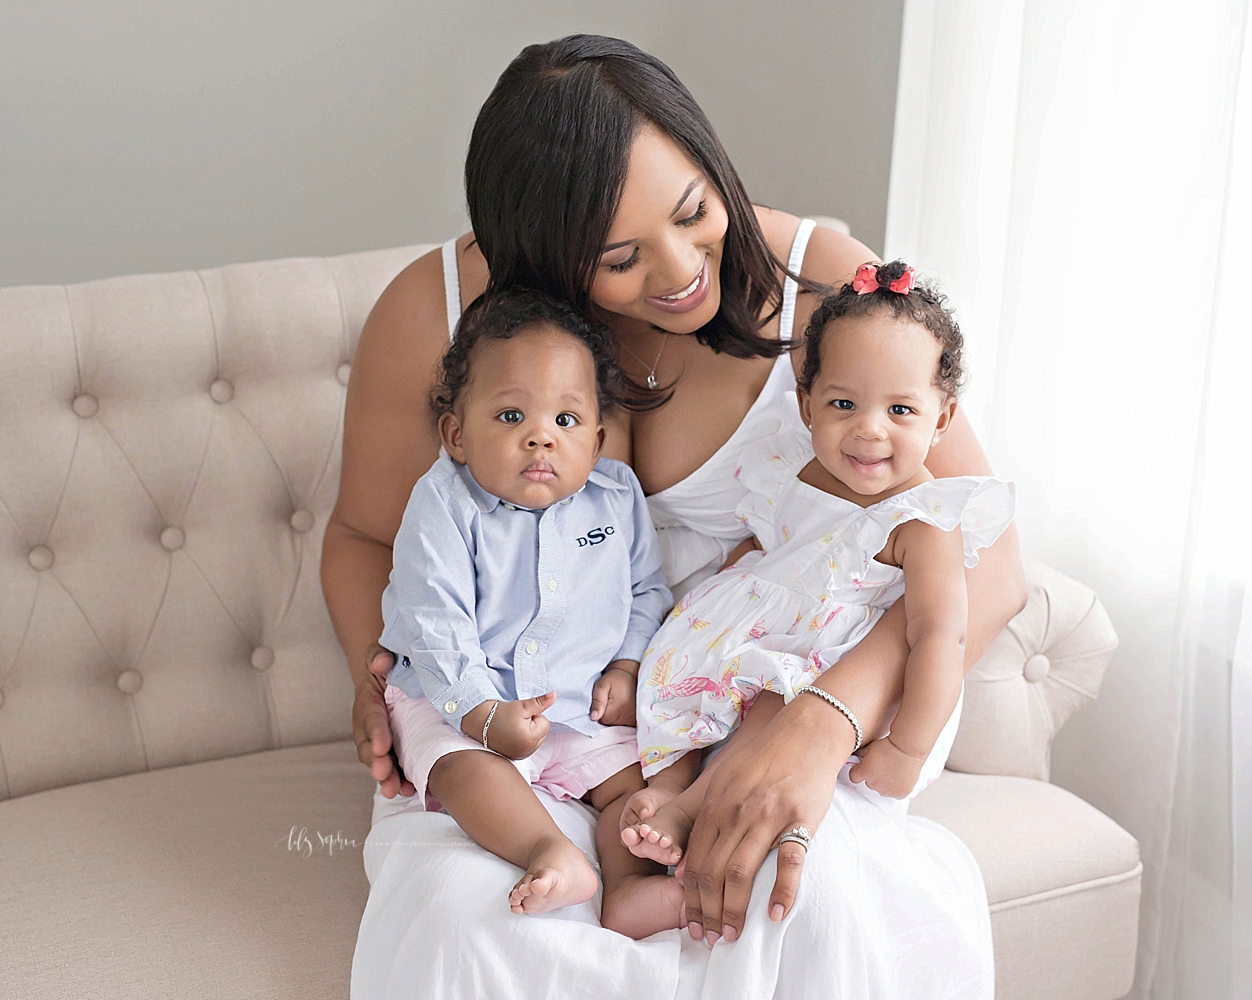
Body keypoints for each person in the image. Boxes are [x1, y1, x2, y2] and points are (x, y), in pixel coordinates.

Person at [328, 34, 1026, 996]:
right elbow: (366, 537)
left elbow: (989, 561)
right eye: (620, 257)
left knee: (795, 897)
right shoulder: (437, 311)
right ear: (542, 257)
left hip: (765, 697)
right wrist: (390, 681)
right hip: (522, 722)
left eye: (695, 210)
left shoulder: (824, 281)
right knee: (466, 917)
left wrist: (818, 726)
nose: (682, 268)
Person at [620, 261, 1016, 868]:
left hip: (831, 666)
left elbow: (940, 635)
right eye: (844, 402)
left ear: (941, 420)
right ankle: (671, 782)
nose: (868, 430)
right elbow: (773, 541)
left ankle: (691, 804)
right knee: (679, 673)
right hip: (762, 619)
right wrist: (725, 589)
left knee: (776, 698)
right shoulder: (795, 465)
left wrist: (908, 748)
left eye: (900, 411)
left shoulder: (924, 517)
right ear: (807, 405)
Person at [377, 288, 682, 938]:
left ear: (598, 440)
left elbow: (648, 590)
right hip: (457, 700)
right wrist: (483, 714)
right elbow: (436, 626)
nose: (541, 435)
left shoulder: (615, 497)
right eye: (511, 415)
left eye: (566, 422)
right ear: (457, 435)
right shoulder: (441, 507)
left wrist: (628, 665)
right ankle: (548, 852)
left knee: (633, 788)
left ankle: (629, 888)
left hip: (574, 704)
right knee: (464, 771)